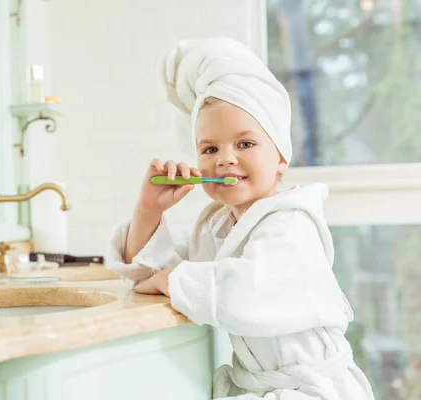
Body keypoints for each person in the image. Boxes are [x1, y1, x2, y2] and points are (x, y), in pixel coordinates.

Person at [106, 37, 374, 400]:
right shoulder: (218, 226)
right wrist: (148, 211)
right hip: (263, 386)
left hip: (314, 389)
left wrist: (174, 279)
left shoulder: (292, 224)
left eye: (245, 144)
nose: (225, 159)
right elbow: (159, 277)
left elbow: (242, 293)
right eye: (210, 148)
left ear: (281, 158)